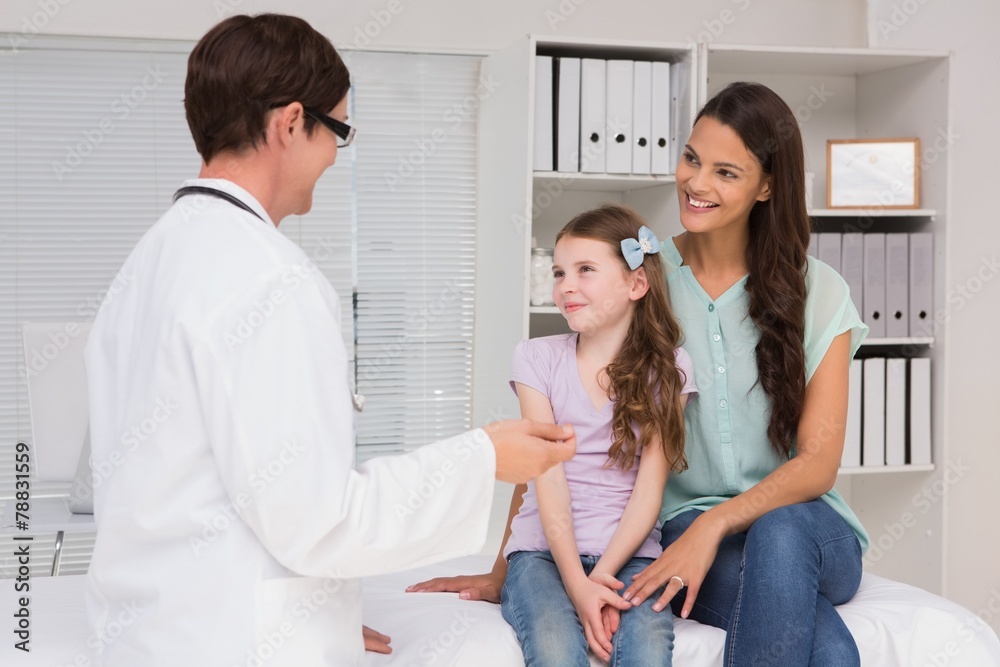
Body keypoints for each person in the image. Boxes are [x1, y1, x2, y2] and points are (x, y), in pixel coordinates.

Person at [83, 14, 575, 667]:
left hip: (157, 632)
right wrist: (484, 457)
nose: (335, 156)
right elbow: (317, 519)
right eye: (338, 131)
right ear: (291, 124)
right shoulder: (271, 278)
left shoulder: (147, 263)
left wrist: (312, 614)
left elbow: (191, 486)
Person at [410, 81, 870, 666]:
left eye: (726, 172)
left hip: (808, 532)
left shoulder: (820, 290)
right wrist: (506, 569)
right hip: (684, 530)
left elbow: (818, 463)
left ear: (767, 186)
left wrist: (713, 526)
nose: (697, 183)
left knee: (779, 535)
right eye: (692, 158)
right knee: (826, 646)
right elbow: (563, 428)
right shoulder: (642, 282)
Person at [420, 204, 697, 666]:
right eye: (559, 272)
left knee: (648, 648)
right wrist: (578, 585)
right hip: (542, 555)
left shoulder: (670, 369)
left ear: (635, 284)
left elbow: (649, 492)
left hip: (631, 556)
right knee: (554, 646)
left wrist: (601, 577)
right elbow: (547, 482)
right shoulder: (536, 359)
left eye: (585, 270)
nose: (565, 285)